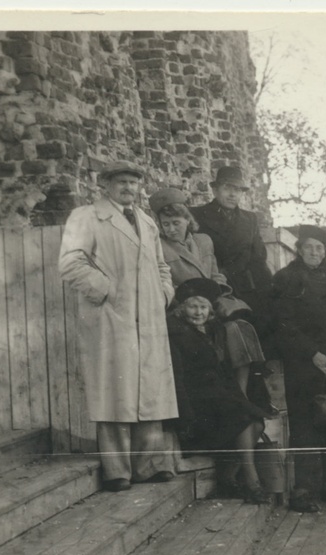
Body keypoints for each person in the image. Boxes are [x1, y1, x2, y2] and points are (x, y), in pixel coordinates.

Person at [58, 160, 177, 492]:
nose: (128, 188)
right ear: (105, 185)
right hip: (111, 316)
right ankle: (118, 470)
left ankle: (150, 465)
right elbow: (70, 262)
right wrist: (109, 291)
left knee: (150, 390)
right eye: (121, 182)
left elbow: (161, 265)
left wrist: (163, 294)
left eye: (133, 183)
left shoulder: (147, 222)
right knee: (114, 391)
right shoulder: (86, 216)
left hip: (148, 316)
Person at [272, 226, 326, 513]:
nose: (314, 253)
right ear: (299, 249)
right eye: (308, 247)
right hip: (304, 364)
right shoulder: (286, 279)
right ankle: (304, 490)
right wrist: (312, 354)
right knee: (305, 424)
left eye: (319, 248)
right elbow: (283, 324)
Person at [150, 187, 265, 398]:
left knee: (240, 328)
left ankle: (244, 393)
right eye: (165, 224)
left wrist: (217, 292)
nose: (171, 229)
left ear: (187, 220)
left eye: (176, 222)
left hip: (211, 302)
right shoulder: (159, 247)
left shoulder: (204, 241)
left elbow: (215, 274)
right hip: (183, 308)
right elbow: (163, 281)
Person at [167, 279, 270, 504]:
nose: (198, 312)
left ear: (210, 310)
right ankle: (252, 483)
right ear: (182, 308)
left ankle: (228, 477)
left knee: (257, 421)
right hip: (197, 404)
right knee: (243, 419)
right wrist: (185, 418)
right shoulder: (176, 334)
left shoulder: (214, 332)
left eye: (203, 307)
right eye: (193, 306)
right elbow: (177, 378)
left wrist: (238, 397)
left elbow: (223, 372)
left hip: (218, 398)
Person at [190, 166, 274, 329]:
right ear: (215, 190)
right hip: (214, 288)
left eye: (237, 189)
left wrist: (269, 293)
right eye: (227, 188)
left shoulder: (249, 219)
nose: (232, 194)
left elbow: (259, 260)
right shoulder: (197, 215)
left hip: (246, 290)